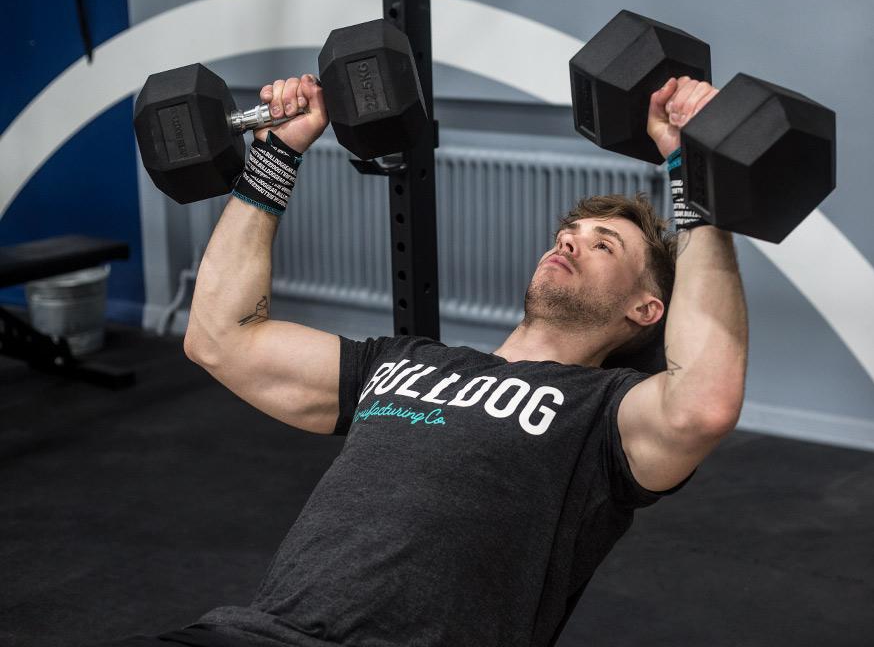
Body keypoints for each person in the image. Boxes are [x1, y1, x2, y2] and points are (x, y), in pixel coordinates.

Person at [101, 73, 747, 647]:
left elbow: (702, 405)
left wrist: (691, 179)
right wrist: (278, 151)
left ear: (646, 308)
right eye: (566, 235)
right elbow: (219, 336)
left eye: (602, 246)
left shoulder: (601, 418)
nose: (568, 245)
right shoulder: (402, 361)